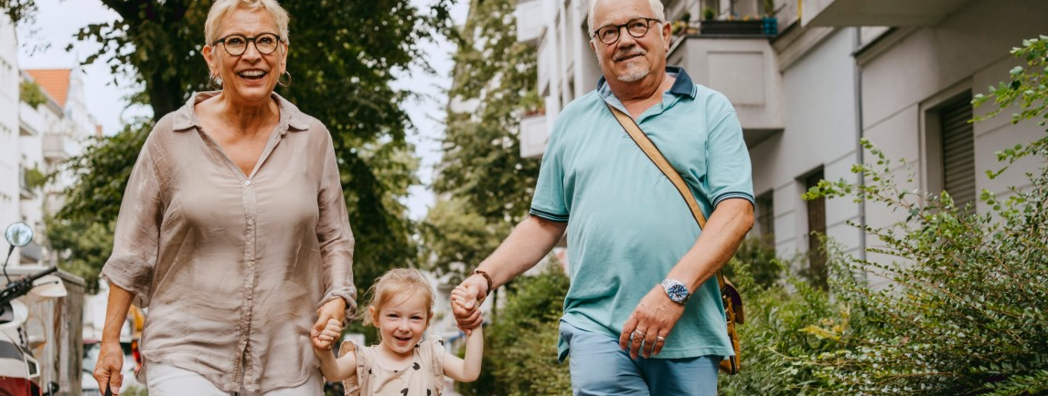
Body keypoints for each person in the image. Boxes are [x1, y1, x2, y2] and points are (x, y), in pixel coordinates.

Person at [451, 0, 754, 394]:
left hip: (688, 328)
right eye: (609, 32)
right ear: (595, 47)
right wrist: (482, 278)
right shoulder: (572, 122)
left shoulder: (711, 110)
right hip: (596, 329)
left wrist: (673, 292)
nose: (624, 40)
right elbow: (544, 222)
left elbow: (737, 211)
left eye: (638, 26)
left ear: (665, 34)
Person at [92, 0, 356, 394]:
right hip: (186, 349)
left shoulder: (312, 138)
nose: (252, 54)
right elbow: (133, 246)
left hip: (289, 353)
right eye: (234, 42)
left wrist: (337, 298)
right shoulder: (171, 136)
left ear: (283, 54)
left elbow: (334, 237)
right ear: (211, 57)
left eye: (266, 41)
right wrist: (110, 341)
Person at [312, 268, 483, 395]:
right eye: (394, 315)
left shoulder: (430, 355)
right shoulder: (364, 358)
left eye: (415, 318)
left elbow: (469, 372)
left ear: (427, 321)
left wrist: (473, 322)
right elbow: (333, 372)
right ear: (376, 317)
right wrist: (324, 348)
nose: (404, 327)